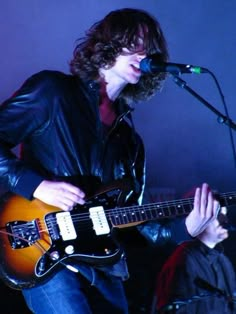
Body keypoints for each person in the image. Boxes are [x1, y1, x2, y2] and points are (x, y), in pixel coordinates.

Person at [0, 7, 221, 314]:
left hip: (103, 267)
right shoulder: (53, 93)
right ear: (109, 44)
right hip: (44, 248)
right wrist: (36, 186)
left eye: (150, 47)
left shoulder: (130, 144)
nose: (145, 53)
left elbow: (136, 226)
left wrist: (187, 227)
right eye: (135, 42)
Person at [156, 208, 236, 314]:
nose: (225, 220)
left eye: (225, 214)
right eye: (217, 215)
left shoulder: (224, 261)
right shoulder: (183, 259)